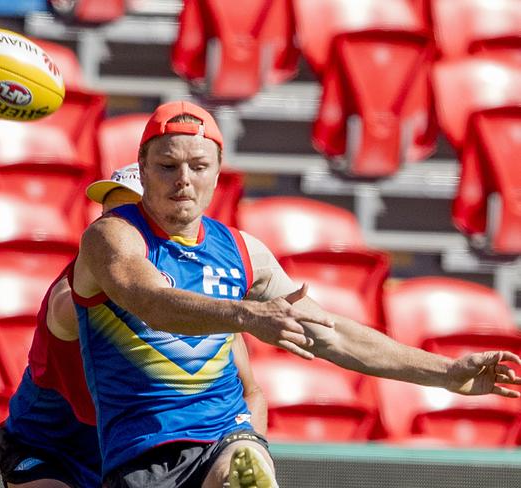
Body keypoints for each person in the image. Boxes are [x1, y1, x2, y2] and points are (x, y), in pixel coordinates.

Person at [71, 100, 521, 488]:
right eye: (168, 166)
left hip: (224, 433)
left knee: (242, 465)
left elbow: (331, 334)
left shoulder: (244, 251)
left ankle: (246, 468)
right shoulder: (113, 236)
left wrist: (446, 373)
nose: (183, 179)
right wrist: (247, 316)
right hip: (141, 454)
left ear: (218, 172)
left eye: (198, 166)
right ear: (143, 168)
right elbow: (150, 302)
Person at [0, 163, 270, 488]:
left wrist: (243, 445)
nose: (112, 226)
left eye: (127, 216)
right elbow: (92, 303)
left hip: (138, 452)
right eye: (108, 213)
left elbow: (250, 392)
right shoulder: (72, 294)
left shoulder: (195, 304)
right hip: (54, 449)